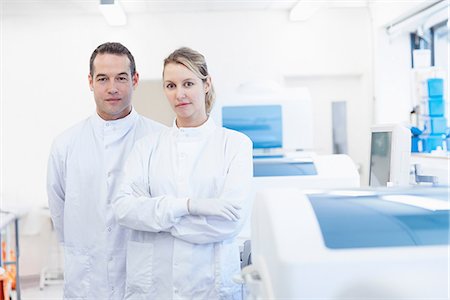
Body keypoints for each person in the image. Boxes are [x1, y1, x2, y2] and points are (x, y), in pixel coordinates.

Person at [113, 47, 253, 299]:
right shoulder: (146, 147)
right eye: (170, 85)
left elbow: (231, 222)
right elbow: (124, 209)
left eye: (188, 83)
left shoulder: (235, 145)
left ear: (206, 83)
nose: (179, 94)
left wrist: (161, 221)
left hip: (212, 284)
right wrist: (188, 206)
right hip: (158, 285)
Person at [47, 42, 165, 300]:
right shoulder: (66, 144)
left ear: (135, 80)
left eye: (121, 78)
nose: (112, 88)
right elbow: (59, 210)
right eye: (103, 79)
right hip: (87, 282)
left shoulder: (161, 139)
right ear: (90, 82)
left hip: (145, 279)